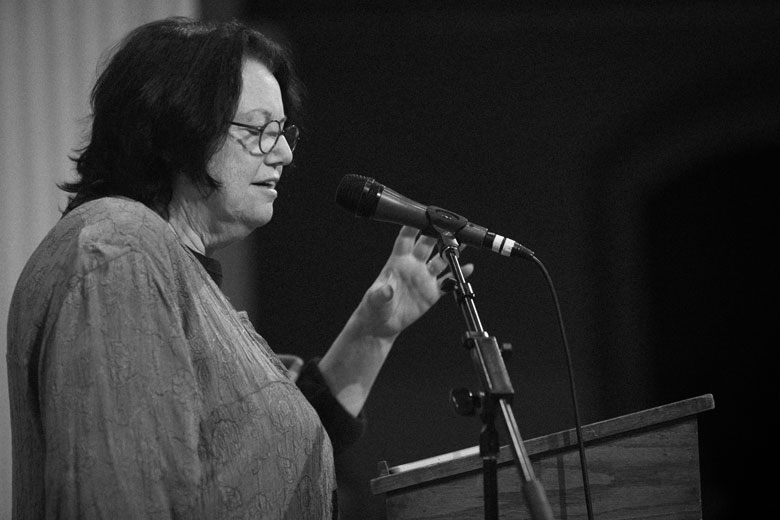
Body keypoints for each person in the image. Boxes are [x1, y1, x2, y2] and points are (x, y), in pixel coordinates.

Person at [5, 17, 472, 520]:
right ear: (176, 129)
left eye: (284, 131)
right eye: (259, 129)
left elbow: (272, 454)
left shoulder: (168, 265)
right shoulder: (121, 247)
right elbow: (119, 491)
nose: (285, 153)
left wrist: (373, 331)